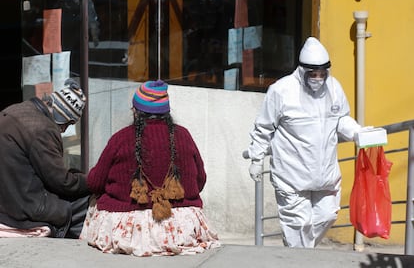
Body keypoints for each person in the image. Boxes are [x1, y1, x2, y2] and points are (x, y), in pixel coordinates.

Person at [246, 37, 363, 248]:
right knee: (298, 226)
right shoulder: (281, 91)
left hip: (325, 174)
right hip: (291, 175)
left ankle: (299, 252)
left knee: (327, 216)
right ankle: (299, 256)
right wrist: (256, 158)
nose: (318, 78)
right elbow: (264, 127)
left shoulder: (334, 89)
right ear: (302, 70)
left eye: (322, 73)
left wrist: (358, 133)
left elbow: (342, 119)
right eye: (313, 74)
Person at [80, 80, 220, 256]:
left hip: (129, 230)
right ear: (166, 113)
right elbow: (200, 181)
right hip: (181, 229)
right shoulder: (183, 135)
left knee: (95, 200)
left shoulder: (120, 138)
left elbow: (95, 183)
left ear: (136, 112)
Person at [0, 78, 90, 238]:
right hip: (22, 208)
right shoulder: (43, 129)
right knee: (86, 201)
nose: (64, 130)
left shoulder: (16, 109)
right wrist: (91, 180)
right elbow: (62, 182)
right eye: (68, 124)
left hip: (7, 198)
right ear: (63, 118)